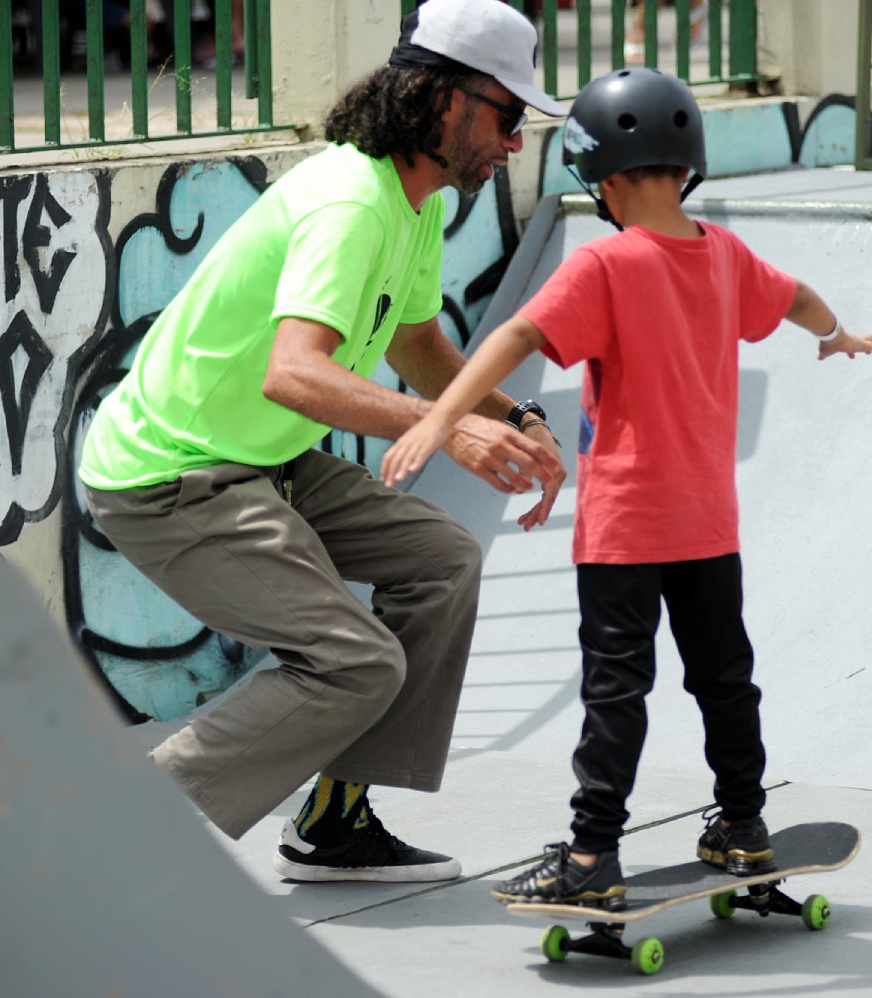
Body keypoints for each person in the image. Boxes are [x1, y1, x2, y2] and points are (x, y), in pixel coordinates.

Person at [77, 0, 567, 884]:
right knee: (351, 660)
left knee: (442, 559)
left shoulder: (411, 204)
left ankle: (334, 821)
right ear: (441, 100)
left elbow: (419, 345)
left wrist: (515, 417)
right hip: (170, 477)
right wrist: (446, 426)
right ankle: (115, 827)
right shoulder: (350, 202)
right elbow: (294, 373)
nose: (515, 143)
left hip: (259, 461)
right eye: (509, 116)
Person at [381, 67, 872, 907]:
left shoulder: (606, 266)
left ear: (606, 180)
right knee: (726, 680)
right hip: (708, 525)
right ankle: (744, 827)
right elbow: (793, 297)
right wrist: (835, 334)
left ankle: (588, 858)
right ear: (684, 170)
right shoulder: (725, 256)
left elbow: (514, 335)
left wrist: (440, 419)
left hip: (625, 530)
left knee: (617, 689)